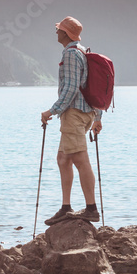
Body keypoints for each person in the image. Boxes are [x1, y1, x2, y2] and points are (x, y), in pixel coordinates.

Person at [40, 16, 102, 225]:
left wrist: (52, 111)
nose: (56, 32)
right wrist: (97, 116)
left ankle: (91, 209)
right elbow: (91, 85)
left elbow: (71, 87)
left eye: (58, 29)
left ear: (66, 33)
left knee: (80, 160)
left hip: (74, 114)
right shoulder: (82, 52)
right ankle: (66, 207)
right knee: (63, 159)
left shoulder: (70, 54)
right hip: (84, 113)